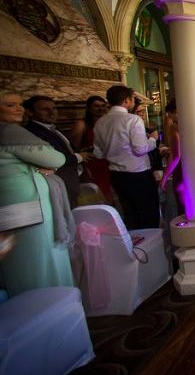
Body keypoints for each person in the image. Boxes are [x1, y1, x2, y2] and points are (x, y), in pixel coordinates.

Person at [0, 90, 74, 296]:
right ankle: (54, 308)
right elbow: (56, 159)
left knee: (18, 264)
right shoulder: (9, 131)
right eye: (10, 105)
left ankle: (28, 312)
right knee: (41, 262)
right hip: (28, 209)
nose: (18, 109)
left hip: (7, 208)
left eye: (19, 104)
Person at [93, 85, 160, 230]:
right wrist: (153, 140)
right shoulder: (133, 120)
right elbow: (140, 149)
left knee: (130, 215)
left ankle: (134, 249)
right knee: (148, 214)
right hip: (138, 175)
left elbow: (98, 153)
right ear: (126, 100)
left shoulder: (100, 122)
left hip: (116, 176)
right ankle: (151, 249)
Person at [23, 95, 89, 207]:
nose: (52, 113)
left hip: (70, 180)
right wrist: (79, 157)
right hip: (58, 184)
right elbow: (53, 158)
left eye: (54, 108)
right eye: (45, 109)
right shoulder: (32, 132)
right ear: (30, 112)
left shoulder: (52, 128)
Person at [70, 95, 112, 202]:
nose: (101, 109)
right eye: (96, 106)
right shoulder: (81, 124)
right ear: (89, 108)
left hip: (108, 162)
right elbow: (73, 149)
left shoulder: (109, 123)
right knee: (98, 195)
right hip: (92, 164)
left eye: (103, 106)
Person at [159, 99, 185, 215]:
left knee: (183, 203)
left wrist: (165, 177)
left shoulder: (174, 128)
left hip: (182, 169)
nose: (169, 119)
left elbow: (176, 156)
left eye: (169, 115)